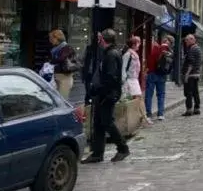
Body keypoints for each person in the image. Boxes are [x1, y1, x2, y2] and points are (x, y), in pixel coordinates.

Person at [83, 29, 130, 163]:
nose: (98, 40)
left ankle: (122, 148)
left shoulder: (111, 54)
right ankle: (97, 153)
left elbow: (110, 77)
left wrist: (100, 90)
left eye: (100, 38)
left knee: (107, 122)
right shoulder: (109, 53)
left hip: (107, 94)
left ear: (103, 39)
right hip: (103, 93)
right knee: (98, 123)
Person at [144, 35, 173, 120]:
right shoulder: (170, 51)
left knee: (149, 94)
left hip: (152, 73)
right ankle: (160, 114)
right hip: (162, 74)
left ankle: (148, 114)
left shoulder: (157, 47)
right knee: (161, 95)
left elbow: (150, 60)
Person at [48, 29, 77, 99]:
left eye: (51, 38)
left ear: (57, 38)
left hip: (64, 77)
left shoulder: (66, 48)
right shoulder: (55, 49)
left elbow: (61, 59)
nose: (50, 40)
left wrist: (50, 62)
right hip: (56, 77)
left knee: (62, 100)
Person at [122, 35, 143, 115]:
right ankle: (130, 117)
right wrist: (124, 82)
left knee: (137, 99)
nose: (140, 44)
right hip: (129, 81)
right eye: (138, 42)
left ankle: (137, 116)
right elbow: (123, 68)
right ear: (134, 44)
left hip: (134, 80)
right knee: (130, 100)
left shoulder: (135, 54)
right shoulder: (128, 54)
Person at [182, 34, 202, 116]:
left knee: (188, 92)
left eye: (187, 40)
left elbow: (191, 63)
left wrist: (186, 74)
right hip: (196, 74)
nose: (185, 42)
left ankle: (189, 109)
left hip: (190, 75)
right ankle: (197, 108)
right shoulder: (198, 48)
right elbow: (200, 62)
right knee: (195, 92)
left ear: (192, 40)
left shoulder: (191, 49)